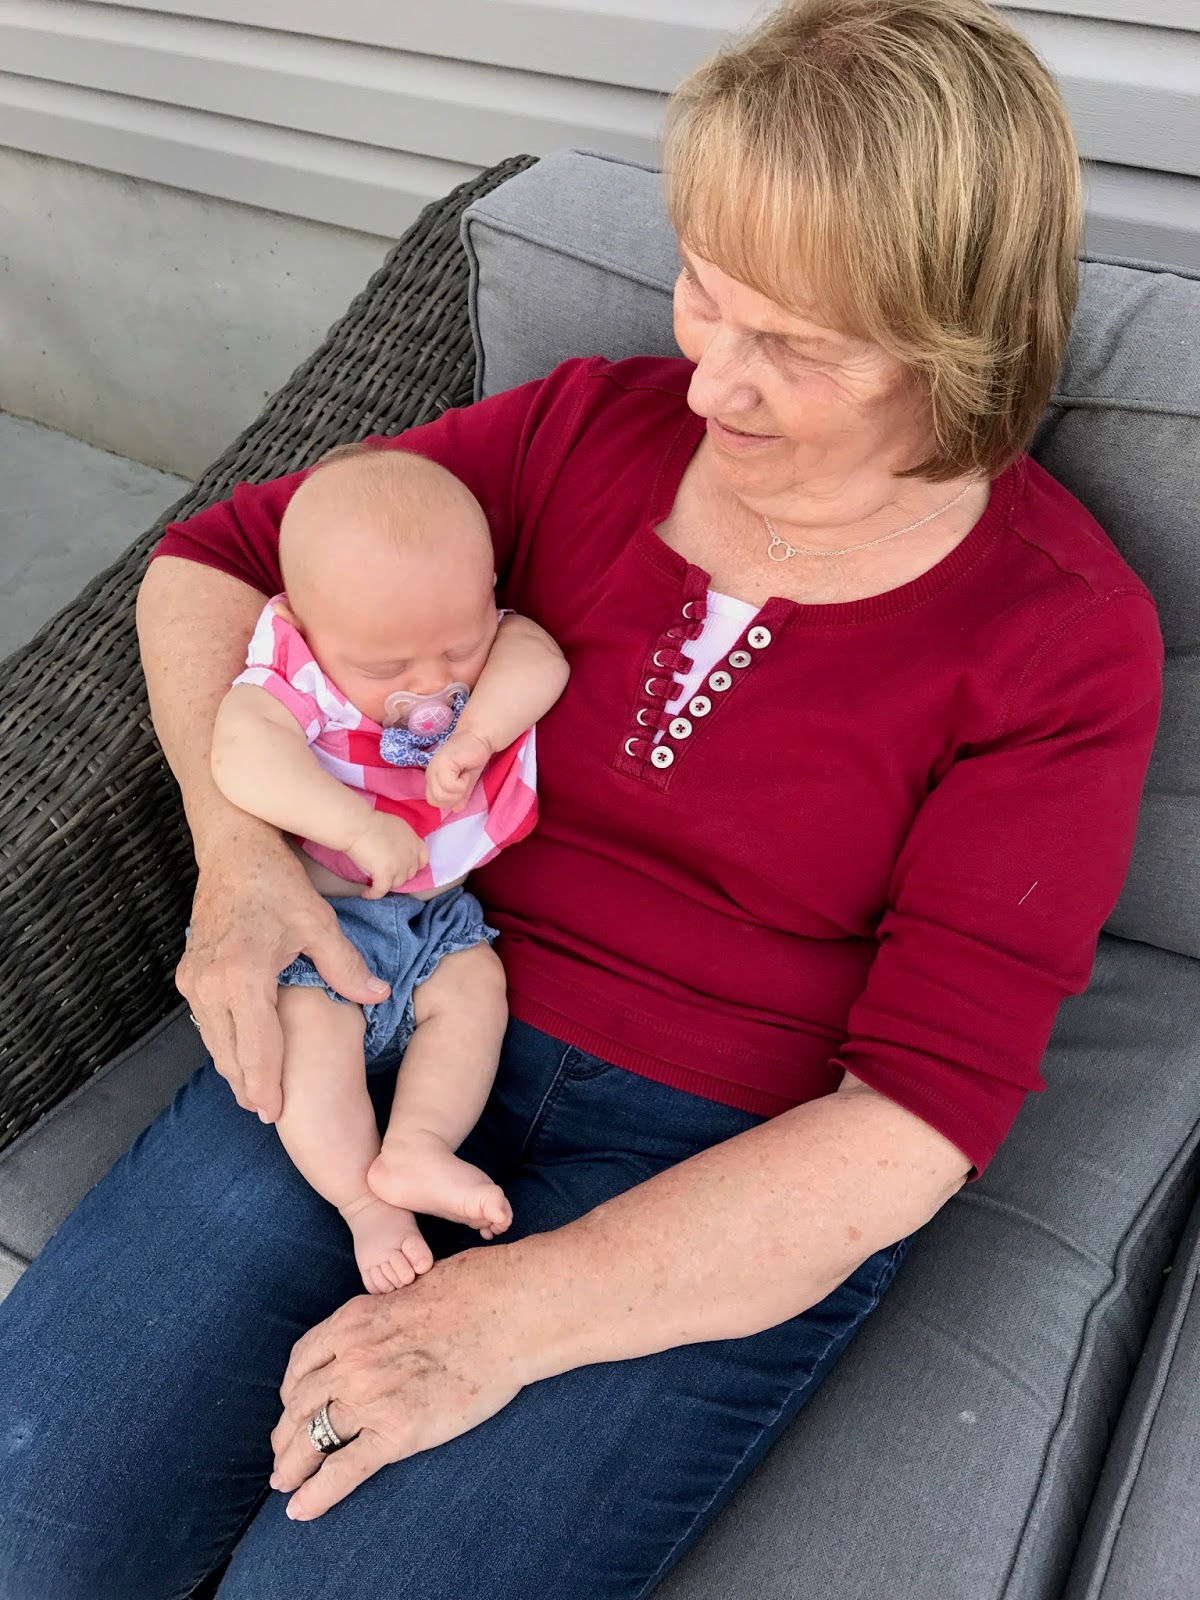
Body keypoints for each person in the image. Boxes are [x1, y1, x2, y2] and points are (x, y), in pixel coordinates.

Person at [0, 1, 1163, 1596]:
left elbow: (915, 1125)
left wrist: (503, 1321)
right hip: (391, 1002)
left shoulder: (1058, 637)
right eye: (704, 292)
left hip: (711, 1168)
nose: (712, 384)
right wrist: (240, 857)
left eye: (795, 347)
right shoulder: (584, 428)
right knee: (33, 1529)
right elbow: (211, 563)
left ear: (962, 341)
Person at [209, 446, 568, 1292]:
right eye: (386, 670)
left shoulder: (477, 643)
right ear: (307, 625)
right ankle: (365, 1203)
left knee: (476, 997)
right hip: (321, 928)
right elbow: (241, 752)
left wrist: (479, 731)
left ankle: (416, 1147)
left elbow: (540, 658)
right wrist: (354, 824)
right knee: (307, 1054)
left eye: (459, 647)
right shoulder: (294, 674)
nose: (432, 685)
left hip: (442, 922)